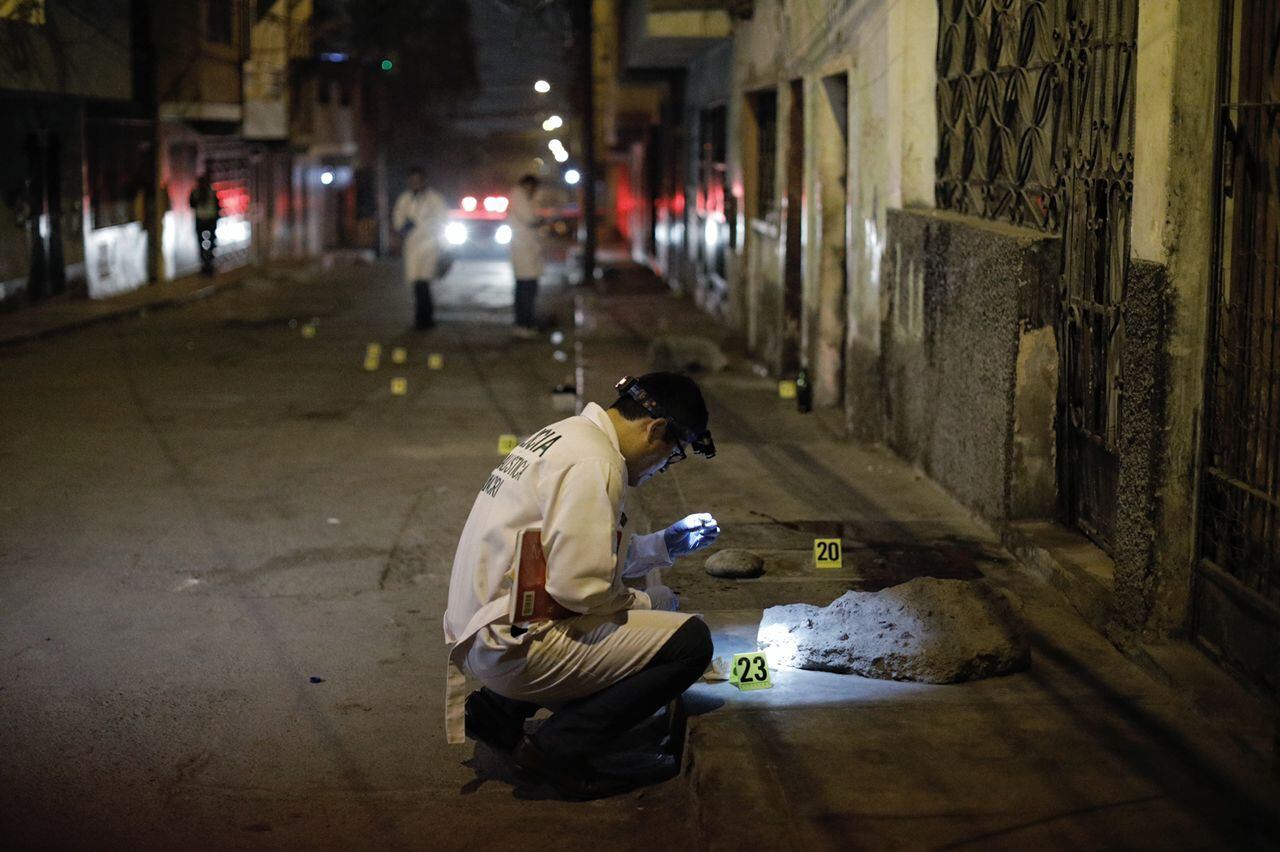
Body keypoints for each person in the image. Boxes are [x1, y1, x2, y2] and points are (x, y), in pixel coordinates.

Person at [443, 372, 720, 799]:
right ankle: (556, 749)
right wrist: (650, 602)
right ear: (656, 429)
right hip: (512, 647)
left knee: (636, 611)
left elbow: (578, 552)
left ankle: (499, 711)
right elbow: (581, 590)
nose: (664, 468)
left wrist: (662, 545)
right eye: (673, 455)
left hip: (484, 632)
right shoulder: (598, 463)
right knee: (691, 643)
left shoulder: (566, 436)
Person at [392, 166, 448, 329]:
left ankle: (425, 317)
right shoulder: (404, 199)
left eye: (418, 180)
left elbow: (443, 219)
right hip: (413, 245)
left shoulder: (435, 198)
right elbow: (398, 220)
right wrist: (404, 226)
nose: (415, 183)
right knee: (417, 282)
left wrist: (443, 245)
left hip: (430, 244)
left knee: (425, 280)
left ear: (424, 180)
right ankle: (422, 316)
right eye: (412, 181)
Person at [507, 173, 544, 339]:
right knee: (526, 290)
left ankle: (524, 323)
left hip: (526, 251)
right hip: (524, 252)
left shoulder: (521, 197)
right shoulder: (518, 196)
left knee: (525, 289)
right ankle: (524, 324)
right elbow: (530, 219)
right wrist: (540, 220)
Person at [188, 171, 221, 276]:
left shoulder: (199, 193)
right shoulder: (210, 192)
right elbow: (217, 207)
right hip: (208, 219)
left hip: (203, 219)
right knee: (209, 243)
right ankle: (208, 264)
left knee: (204, 243)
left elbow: (192, 205)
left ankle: (206, 264)